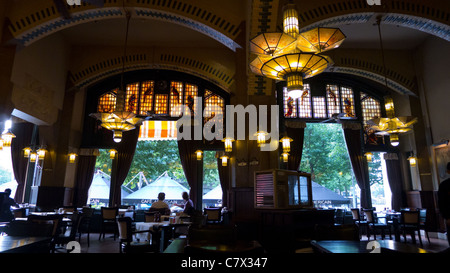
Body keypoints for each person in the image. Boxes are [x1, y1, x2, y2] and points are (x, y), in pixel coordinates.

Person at [438, 162, 450, 246]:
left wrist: (447, 217)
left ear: (448, 171)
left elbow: (442, 203)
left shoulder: (444, 185)